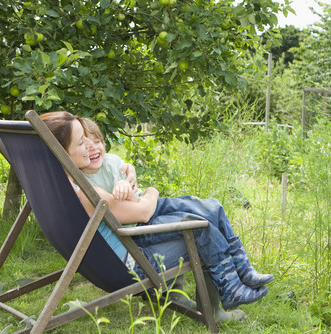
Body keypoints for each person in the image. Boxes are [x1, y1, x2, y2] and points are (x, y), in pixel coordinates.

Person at [39, 111, 272, 312]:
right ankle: (229, 289)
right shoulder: (87, 194)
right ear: (61, 151)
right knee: (203, 227)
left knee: (208, 210)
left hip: (106, 261)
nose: (89, 146)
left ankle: (239, 274)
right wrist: (153, 190)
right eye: (81, 142)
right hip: (134, 266)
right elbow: (142, 214)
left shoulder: (54, 184)